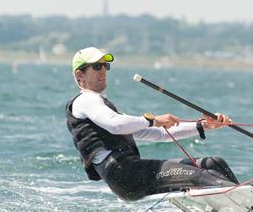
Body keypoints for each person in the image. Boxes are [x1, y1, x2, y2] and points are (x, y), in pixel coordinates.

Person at [65, 47, 239, 201]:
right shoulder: (86, 100)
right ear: (80, 75)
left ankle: (246, 203)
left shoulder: (103, 109)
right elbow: (116, 125)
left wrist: (203, 125)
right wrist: (153, 120)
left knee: (213, 164)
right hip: (124, 175)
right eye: (97, 66)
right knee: (204, 178)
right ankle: (243, 200)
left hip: (133, 172)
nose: (103, 70)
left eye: (105, 66)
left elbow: (160, 134)